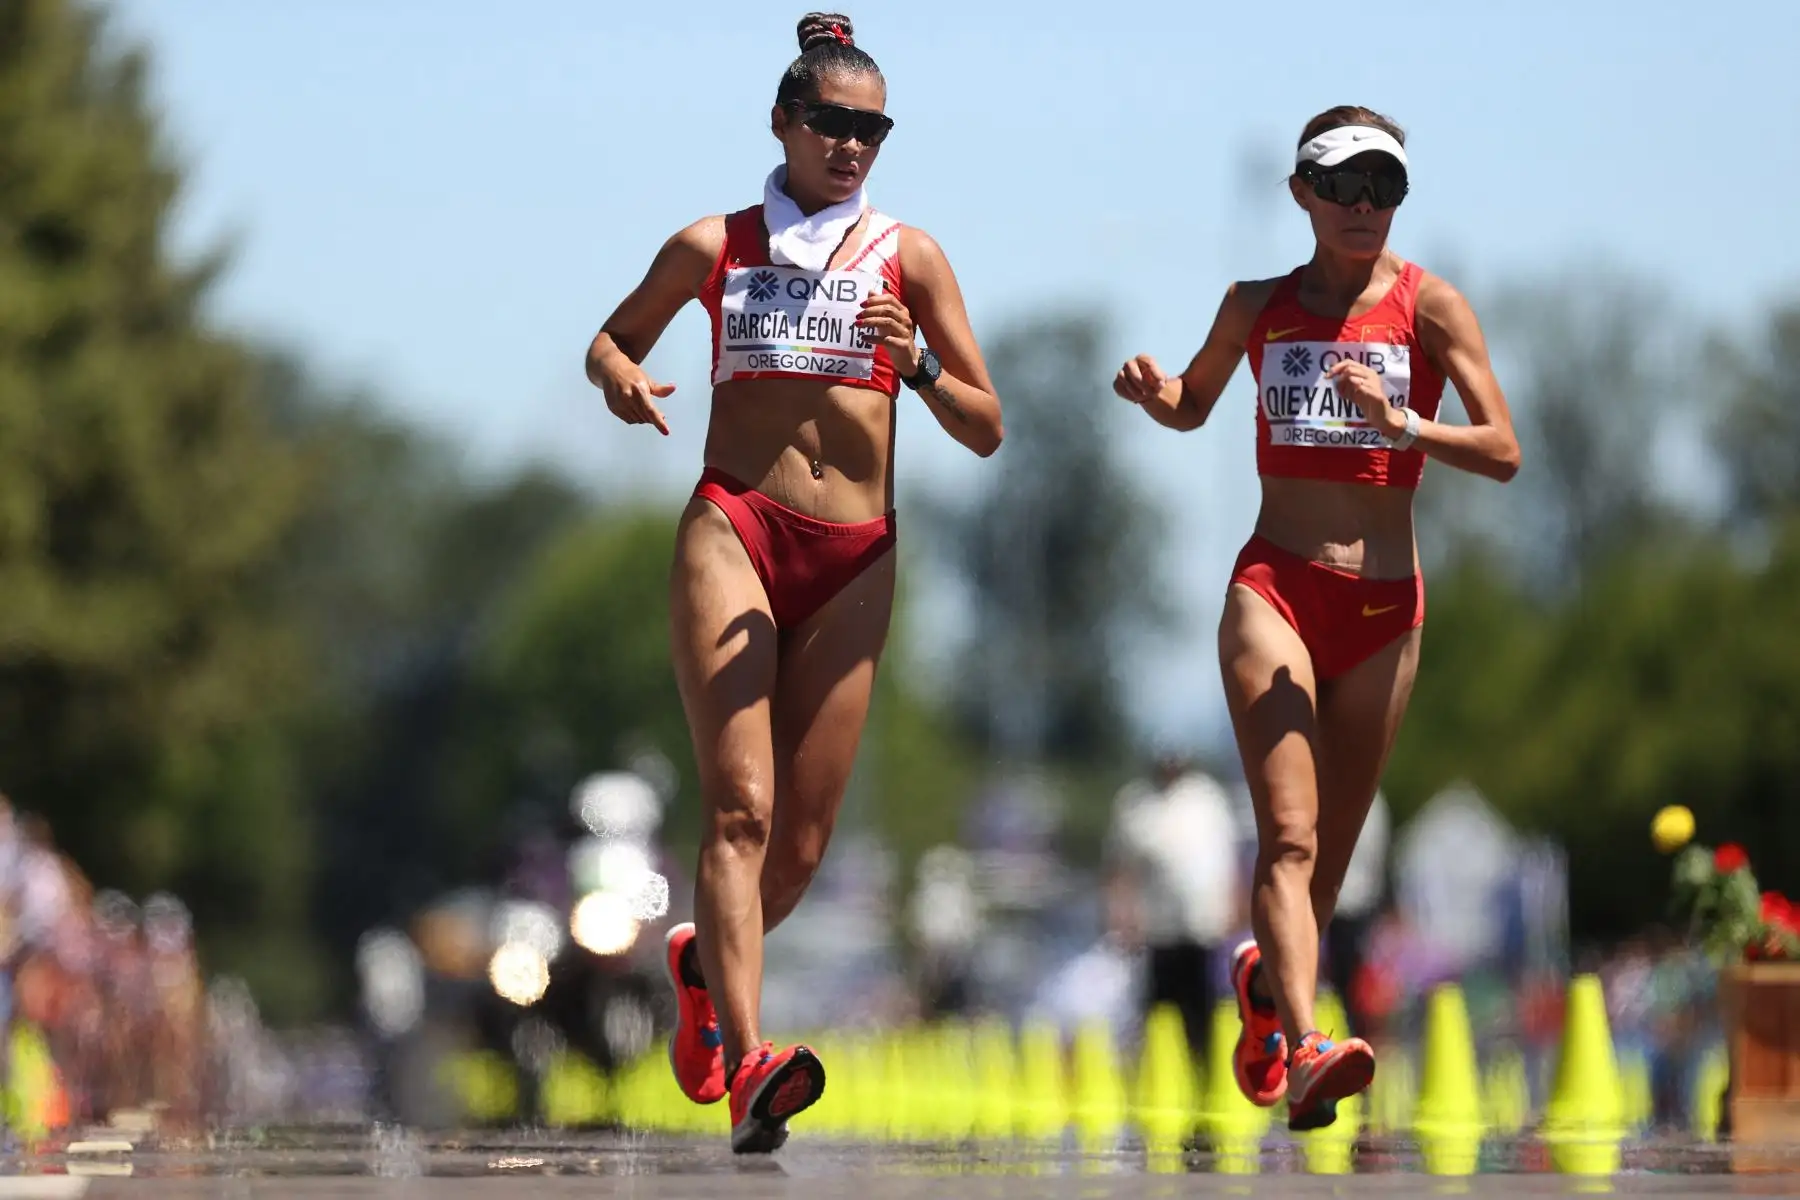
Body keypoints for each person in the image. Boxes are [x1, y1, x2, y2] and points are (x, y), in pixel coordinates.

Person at [584, 12, 1003, 1153]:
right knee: (741, 809)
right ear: (783, 121)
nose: (853, 143)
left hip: (856, 553)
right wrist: (625, 380)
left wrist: (914, 360)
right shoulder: (713, 243)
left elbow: (986, 427)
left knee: (803, 848)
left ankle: (702, 971)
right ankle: (751, 1064)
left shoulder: (909, 258)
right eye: (833, 122)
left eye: (874, 127)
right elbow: (609, 341)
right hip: (736, 527)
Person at [1111, 105, 1520, 1130]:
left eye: (1384, 188)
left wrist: (1408, 423)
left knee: (1325, 869)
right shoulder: (1256, 306)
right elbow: (1195, 403)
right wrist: (1159, 392)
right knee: (1288, 841)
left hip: (1387, 609)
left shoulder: (1432, 309)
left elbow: (1504, 448)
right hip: (1277, 590)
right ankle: (1304, 1044)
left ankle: (1265, 996)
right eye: (1342, 187)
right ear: (1301, 194)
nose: (1363, 208)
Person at [1102, 755, 1242, 1072]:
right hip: (1157, 930)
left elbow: (1229, 861)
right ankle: (1157, 1079)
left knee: (1202, 1010)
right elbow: (1119, 868)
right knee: (1157, 1011)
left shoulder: (1207, 799)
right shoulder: (1135, 803)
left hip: (1202, 927)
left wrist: (1233, 909)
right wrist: (1121, 915)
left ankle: (1205, 1076)